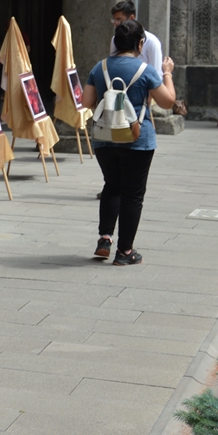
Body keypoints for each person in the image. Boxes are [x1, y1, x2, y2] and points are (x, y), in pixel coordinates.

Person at [84, 19, 176, 266]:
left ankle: (104, 238)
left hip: (105, 138)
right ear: (141, 43)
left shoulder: (99, 67)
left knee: (111, 185)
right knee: (133, 195)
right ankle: (125, 252)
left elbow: (86, 100)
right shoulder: (146, 70)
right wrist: (167, 72)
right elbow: (168, 102)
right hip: (137, 140)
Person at [108, 0, 163, 70]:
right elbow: (112, 66)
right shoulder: (115, 39)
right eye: (114, 20)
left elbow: (156, 73)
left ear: (132, 18)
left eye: (119, 20)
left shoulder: (152, 41)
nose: (116, 23)